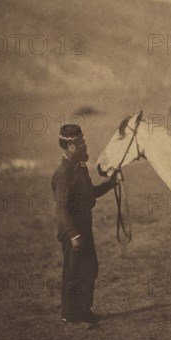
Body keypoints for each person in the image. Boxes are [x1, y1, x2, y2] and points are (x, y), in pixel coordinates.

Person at [51, 124, 116, 324]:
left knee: (89, 268)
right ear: (70, 146)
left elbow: (90, 194)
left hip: (83, 226)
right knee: (73, 271)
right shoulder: (63, 173)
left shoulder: (81, 168)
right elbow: (61, 208)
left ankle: (83, 310)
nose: (85, 146)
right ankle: (69, 315)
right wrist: (73, 234)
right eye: (81, 143)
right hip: (73, 230)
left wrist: (112, 184)